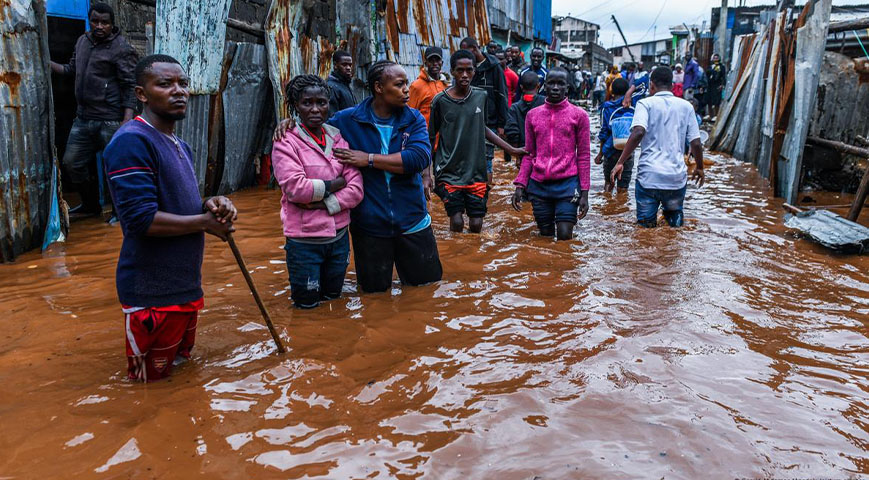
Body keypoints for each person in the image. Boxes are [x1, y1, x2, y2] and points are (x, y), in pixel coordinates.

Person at [103, 54, 237, 382]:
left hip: (183, 287)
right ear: (141, 94)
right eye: (165, 84)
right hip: (151, 294)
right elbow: (140, 220)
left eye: (183, 84)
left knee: (179, 375)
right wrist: (204, 224)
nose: (179, 91)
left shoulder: (180, 144)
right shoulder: (132, 141)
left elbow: (180, 202)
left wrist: (210, 204)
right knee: (143, 385)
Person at [271, 75, 364, 309]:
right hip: (304, 243)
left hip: (339, 239)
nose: (315, 109)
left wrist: (323, 203)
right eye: (307, 103)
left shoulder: (337, 137)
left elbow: (356, 189)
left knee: (334, 300)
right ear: (295, 106)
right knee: (306, 307)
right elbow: (295, 188)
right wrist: (336, 184)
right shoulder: (286, 140)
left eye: (321, 102)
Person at [50, 2, 138, 219]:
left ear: (112, 24)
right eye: (95, 21)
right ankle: (91, 206)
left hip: (110, 119)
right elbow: (71, 69)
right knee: (71, 163)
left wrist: (127, 121)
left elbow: (130, 85)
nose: (100, 26)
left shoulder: (122, 49)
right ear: (90, 22)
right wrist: (46, 62)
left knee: (116, 169)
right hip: (83, 118)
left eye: (105, 23)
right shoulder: (83, 41)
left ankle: (121, 212)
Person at [429, 51, 527, 233]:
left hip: (476, 170)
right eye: (460, 70)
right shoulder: (440, 101)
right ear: (452, 71)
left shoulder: (481, 96)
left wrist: (511, 149)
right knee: (456, 222)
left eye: (469, 70)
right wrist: (427, 174)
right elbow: (431, 136)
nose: (464, 75)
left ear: (474, 71)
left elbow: (482, 128)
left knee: (476, 225)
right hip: (449, 170)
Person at [610, 67, 704, 228]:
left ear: (651, 85)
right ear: (673, 85)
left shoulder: (645, 104)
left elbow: (638, 131)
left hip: (649, 178)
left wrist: (620, 161)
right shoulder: (686, 106)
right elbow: (696, 142)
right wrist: (700, 168)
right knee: (674, 228)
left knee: (645, 229)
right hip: (675, 178)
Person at [511, 67, 591, 241]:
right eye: (551, 83)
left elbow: (584, 155)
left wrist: (584, 192)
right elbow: (529, 154)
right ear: (543, 86)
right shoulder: (532, 115)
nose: (555, 88)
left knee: (564, 235)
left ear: (567, 88)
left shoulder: (579, 115)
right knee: (545, 236)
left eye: (560, 84)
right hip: (539, 185)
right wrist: (520, 185)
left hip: (568, 184)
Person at [459, 36, 509, 180]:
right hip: (468, 121)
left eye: (466, 52)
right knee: (467, 159)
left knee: (487, 160)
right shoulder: (468, 68)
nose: (465, 56)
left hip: (489, 121)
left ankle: (485, 194)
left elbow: (502, 95)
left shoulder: (494, 67)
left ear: (474, 49)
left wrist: (502, 124)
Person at [596, 78, 634, 195]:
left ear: (612, 91)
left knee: (608, 183)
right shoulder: (632, 105)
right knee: (623, 188)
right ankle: (620, 209)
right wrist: (631, 91)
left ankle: (608, 208)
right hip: (627, 152)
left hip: (610, 151)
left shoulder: (607, 107)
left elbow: (604, 132)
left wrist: (600, 154)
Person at [505, 71, 546, 168]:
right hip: (544, 152)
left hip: (523, 152)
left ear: (521, 87)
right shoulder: (545, 103)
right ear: (538, 86)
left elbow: (512, 133)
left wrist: (517, 156)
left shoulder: (514, 108)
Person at [408, 46, 449, 125]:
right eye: (431, 61)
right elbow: (409, 114)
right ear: (426, 63)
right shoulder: (416, 86)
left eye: (437, 60)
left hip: (444, 134)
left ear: (442, 63)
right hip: (425, 135)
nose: (435, 64)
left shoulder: (446, 84)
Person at [327, 50, 357, 114]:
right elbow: (332, 117)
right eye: (344, 65)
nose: (348, 68)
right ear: (335, 65)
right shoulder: (331, 87)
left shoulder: (345, 85)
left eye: (350, 65)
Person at [706, 53, 727, 119]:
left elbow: (723, 76)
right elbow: (707, 74)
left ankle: (716, 115)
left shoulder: (721, 67)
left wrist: (722, 85)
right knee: (709, 100)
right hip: (710, 85)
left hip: (717, 85)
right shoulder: (710, 66)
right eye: (714, 58)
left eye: (717, 58)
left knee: (716, 101)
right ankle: (710, 115)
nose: (715, 59)